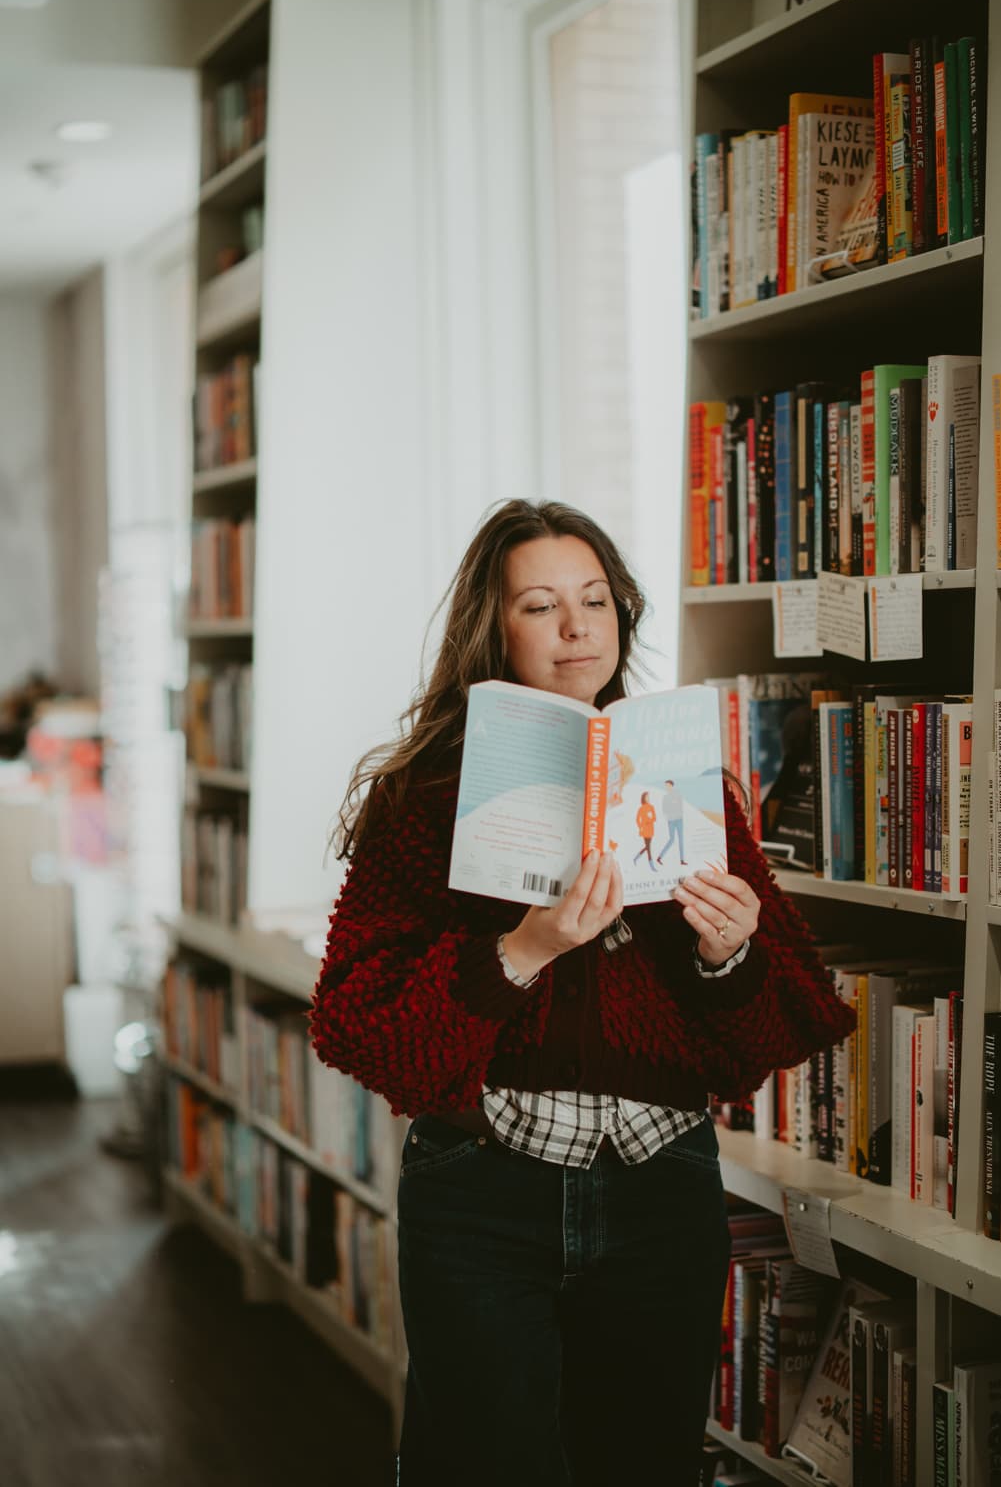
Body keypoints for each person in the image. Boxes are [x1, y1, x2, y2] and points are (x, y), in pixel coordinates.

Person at [308, 499, 856, 1487]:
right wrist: (519, 948)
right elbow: (356, 1024)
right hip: (481, 1196)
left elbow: (784, 1021)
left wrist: (726, 957)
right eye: (541, 603)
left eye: (594, 599)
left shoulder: (690, 785)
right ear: (494, 627)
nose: (576, 626)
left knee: (641, 1466)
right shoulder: (421, 799)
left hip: (659, 1195)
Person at [656, 777, 687, 867]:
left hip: (679, 819)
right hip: (671, 821)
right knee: (672, 840)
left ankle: (682, 860)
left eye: (668, 785)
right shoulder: (665, 797)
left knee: (681, 840)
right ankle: (660, 857)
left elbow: (679, 805)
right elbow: (664, 809)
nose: (667, 787)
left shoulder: (677, 794)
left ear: (672, 786)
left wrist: (674, 809)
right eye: (666, 786)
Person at [632, 790, 657, 871]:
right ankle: (652, 865)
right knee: (648, 848)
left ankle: (636, 858)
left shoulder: (651, 807)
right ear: (643, 798)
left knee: (647, 847)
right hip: (645, 830)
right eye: (646, 797)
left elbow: (654, 818)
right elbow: (637, 819)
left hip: (651, 829)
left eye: (648, 797)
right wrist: (641, 827)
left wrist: (649, 820)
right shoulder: (641, 808)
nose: (648, 798)